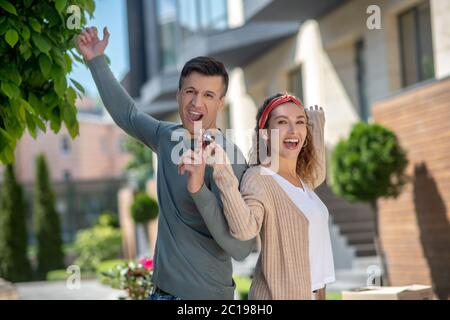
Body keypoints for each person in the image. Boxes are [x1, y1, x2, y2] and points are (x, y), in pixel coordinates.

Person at [76, 27, 256, 300]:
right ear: (178, 95)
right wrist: (96, 60)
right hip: (160, 292)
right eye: (190, 92)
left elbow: (241, 248)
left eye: (208, 95)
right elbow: (129, 114)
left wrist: (199, 191)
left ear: (221, 103)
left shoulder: (230, 157)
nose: (196, 103)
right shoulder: (166, 137)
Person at [203, 93, 335, 300]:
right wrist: (222, 169)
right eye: (282, 122)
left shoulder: (303, 181)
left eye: (300, 122)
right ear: (265, 134)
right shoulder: (259, 178)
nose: (293, 130)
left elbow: (318, 172)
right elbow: (244, 229)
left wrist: (316, 124)